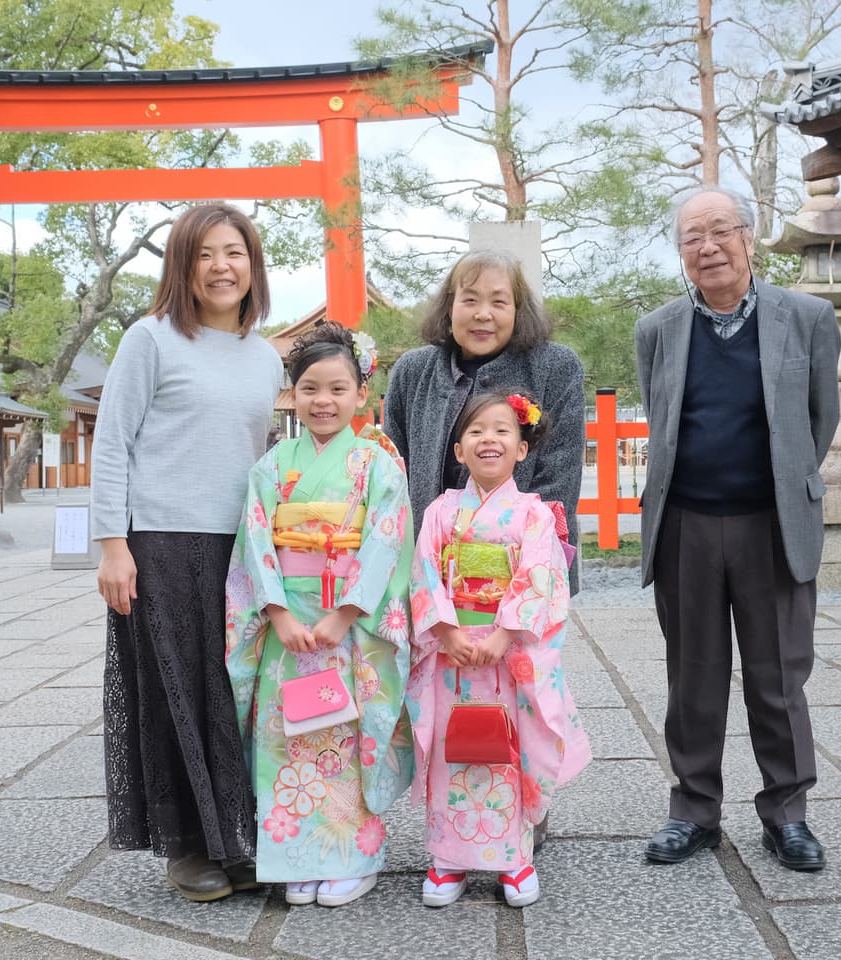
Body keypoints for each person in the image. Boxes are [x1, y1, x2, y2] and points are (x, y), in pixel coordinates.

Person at [634, 187, 841, 873]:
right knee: (692, 675)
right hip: (686, 522)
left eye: (721, 230)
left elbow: (820, 420)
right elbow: (663, 424)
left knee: (778, 676)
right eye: (692, 236)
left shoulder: (807, 318)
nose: (708, 247)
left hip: (771, 521)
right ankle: (692, 810)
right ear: (680, 250)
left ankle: (787, 812)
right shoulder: (658, 328)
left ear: (749, 238)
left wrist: (784, 483)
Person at [91, 202, 285, 902]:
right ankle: (187, 848)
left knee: (234, 695)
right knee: (177, 693)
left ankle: (237, 837)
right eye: (204, 253)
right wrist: (112, 545)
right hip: (161, 542)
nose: (221, 266)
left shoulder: (266, 356)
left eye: (234, 252)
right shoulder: (151, 339)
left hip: (242, 546)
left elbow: (263, 457)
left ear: (253, 265)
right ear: (182, 265)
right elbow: (112, 442)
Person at [224, 321, 415, 908]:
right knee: (288, 740)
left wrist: (345, 614)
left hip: (350, 628)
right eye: (310, 388)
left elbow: (387, 541)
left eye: (338, 388)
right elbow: (256, 543)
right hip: (290, 628)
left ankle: (354, 857)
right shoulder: (273, 466)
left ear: (362, 393)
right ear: (292, 394)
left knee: (347, 736)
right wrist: (278, 613)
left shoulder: (378, 464)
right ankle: (297, 859)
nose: (323, 401)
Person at [407, 390, 591, 909]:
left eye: (502, 431)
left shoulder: (535, 516)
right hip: (452, 652)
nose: (489, 439)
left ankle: (515, 856)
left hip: (507, 655)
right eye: (476, 431)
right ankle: (447, 859)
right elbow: (423, 573)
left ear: (522, 449)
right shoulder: (441, 511)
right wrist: (447, 632)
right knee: (452, 746)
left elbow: (542, 578)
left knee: (508, 748)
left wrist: (504, 634)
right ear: (460, 450)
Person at [382, 250, 585, 595]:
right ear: (449, 307)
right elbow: (392, 472)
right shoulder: (412, 372)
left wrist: (527, 570)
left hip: (521, 568)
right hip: (426, 570)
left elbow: (558, 481)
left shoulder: (555, 367)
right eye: (470, 299)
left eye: (499, 302)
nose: (482, 314)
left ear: (518, 311)